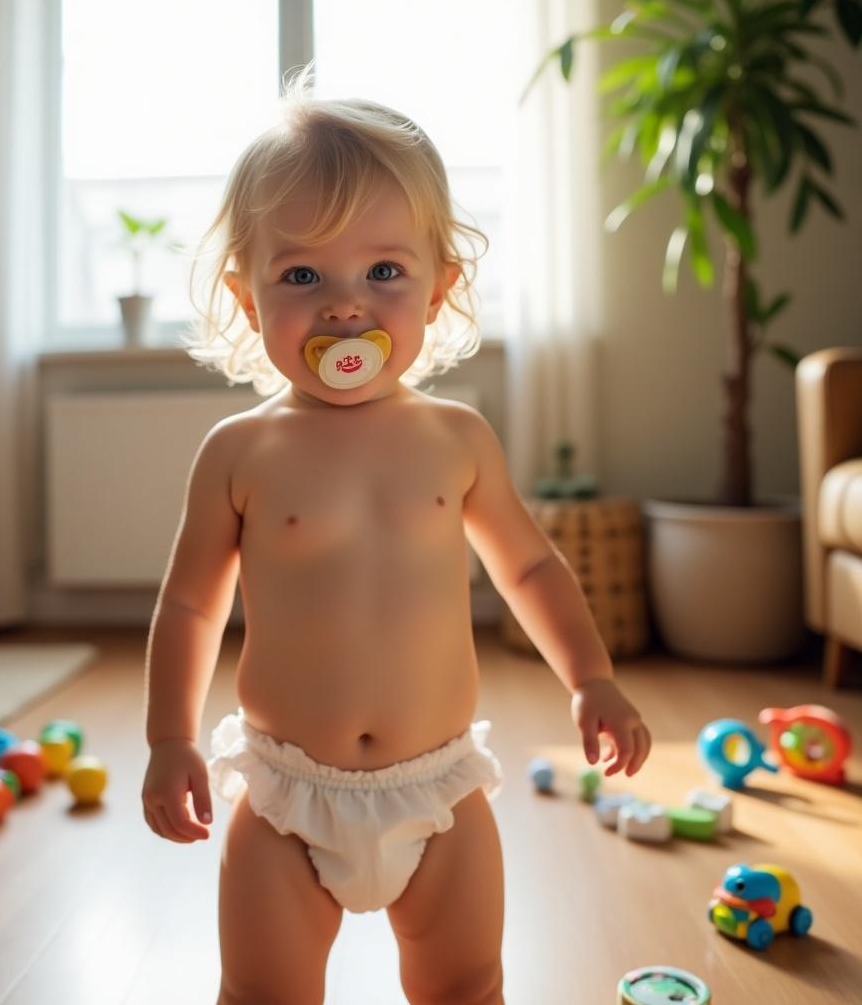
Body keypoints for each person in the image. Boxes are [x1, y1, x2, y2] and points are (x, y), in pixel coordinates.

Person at [141, 66, 652, 1005]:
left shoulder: (456, 438)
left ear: (439, 288)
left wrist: (591, 677)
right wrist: (169, 737)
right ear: (250, 299)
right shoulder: (240, 450)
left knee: (467, 984)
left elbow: (530, 566)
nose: (346, 305)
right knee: (261, 991)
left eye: (384, 272)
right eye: (302, 275)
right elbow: (189, 602)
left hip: (440, 793)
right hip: (287, 798)